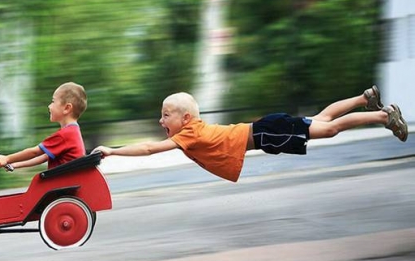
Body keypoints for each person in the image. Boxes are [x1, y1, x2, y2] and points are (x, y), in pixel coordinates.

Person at [93, 86, 408, 183]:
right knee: (321, 119)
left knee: (330, 128)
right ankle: (364, 98)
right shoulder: (192, 130)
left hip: (268, 133)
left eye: (165, 115)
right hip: (266, 129)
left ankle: (383, 116)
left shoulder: (188, 134)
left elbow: (149, 149)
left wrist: (112, 150)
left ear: (185, 118)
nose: (160, 120)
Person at [0, 82, 87, 170]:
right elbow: (44, 157)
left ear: (67, 108)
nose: (49, 106)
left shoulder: (65, 135)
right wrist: (14, 165)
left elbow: (34, 152)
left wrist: (7, 158)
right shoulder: (72, 131)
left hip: (63, 181)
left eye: (53, 101)